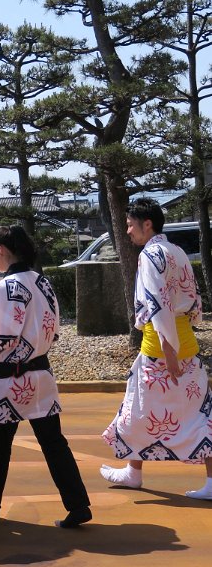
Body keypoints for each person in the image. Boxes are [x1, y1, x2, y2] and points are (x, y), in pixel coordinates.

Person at [0, 225, 91, 528]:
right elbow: (54, 331)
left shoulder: (5, 287)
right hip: (41, 373)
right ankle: (78, 504)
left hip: (11, 378)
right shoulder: (42, 281)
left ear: (0, 250)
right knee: (54, 442)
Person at [100, 198, 212, 499]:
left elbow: (157, 304)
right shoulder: (177, 250)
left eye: (130, 225)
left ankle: (133, 473)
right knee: (200, 414)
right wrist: (179, 339)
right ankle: (135, 472)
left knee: (136, 410)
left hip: (160, 349)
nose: (127, 231)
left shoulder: (150, 255)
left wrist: (169, 350)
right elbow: (193, 299)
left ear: (146, 224)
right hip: (184, 342)